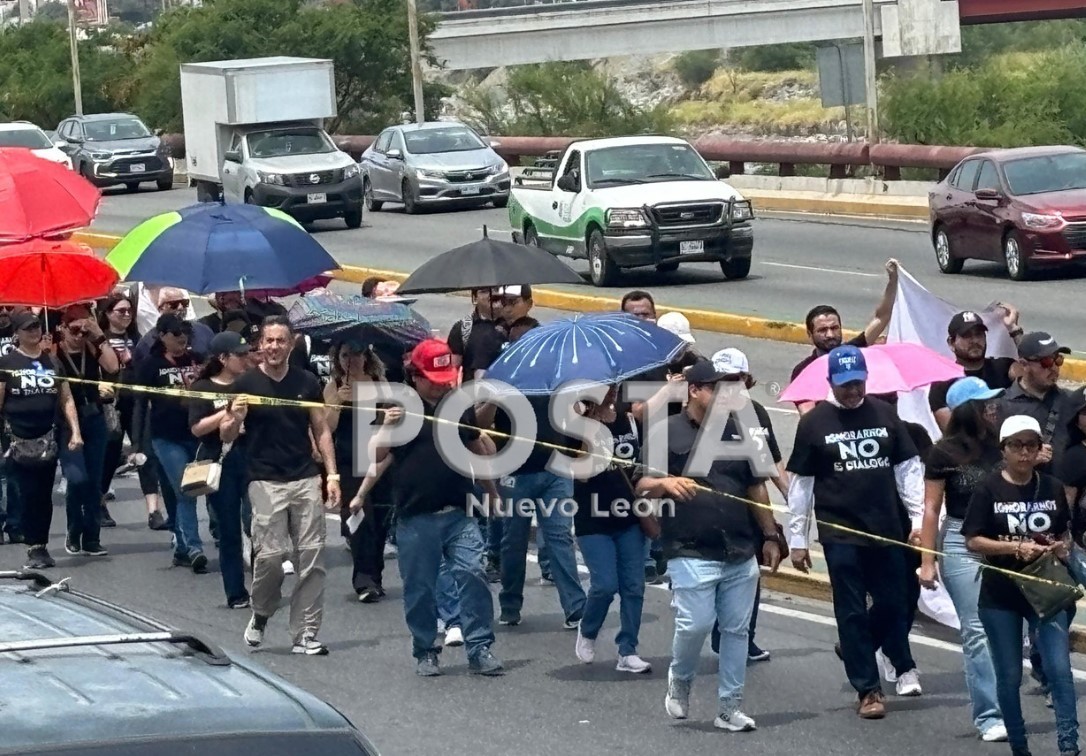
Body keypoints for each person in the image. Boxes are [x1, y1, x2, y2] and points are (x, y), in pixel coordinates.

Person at [786, 344, 923, 719]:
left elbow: (908, 471)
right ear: (831, 382)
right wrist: (797, 539)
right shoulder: (814, 423)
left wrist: (917, 521)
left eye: (857, 383)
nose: (852, 391)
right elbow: (802, 485)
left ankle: (857, 645)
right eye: (844, 384)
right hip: (839, 532)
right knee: (849, 610)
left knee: (895, 603)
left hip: (886, 530)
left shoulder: (885, 415)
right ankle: (869, 689)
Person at [648, 357, 781, 732]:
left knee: (737, 631)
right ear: (695, 390)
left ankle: (729, 707)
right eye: (716, 388)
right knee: (695, 625)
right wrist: (664, 484)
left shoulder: (740, 429)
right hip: (690, 548)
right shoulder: (666, 431)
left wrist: (771, 536)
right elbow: (641, 483)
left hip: (740, 547)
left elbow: (757, 486)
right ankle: (680, 679)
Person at [365, 339, 503, 677]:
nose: (441, 384)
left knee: (474, 574)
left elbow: (477, 450)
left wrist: (492, 493)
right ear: (416, 377)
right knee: (421, 588)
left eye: (445, 376)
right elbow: (376, 455)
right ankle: (425, 650)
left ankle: (480, 646)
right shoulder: (401, 410)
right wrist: (387, 425)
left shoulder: (459, 408)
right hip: (416, 517)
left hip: (459, 512)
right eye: (433, 377)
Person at [963, 415, 1080, 756]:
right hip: (1001, 594)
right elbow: (973, 540)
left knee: (1059, 669)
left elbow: (1063, 532)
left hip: (1046, 591)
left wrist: (1060, 546)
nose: (1025, 453)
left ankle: (1069, 744)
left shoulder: (1052, 486)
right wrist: (1014, 547)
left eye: (1031, 445)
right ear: (1004, 449)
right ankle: (1019, 746)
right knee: (1010, 675)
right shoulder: (988, 488)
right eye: (1017, 445)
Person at [235, 316, 340, 656]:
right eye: (269, 341)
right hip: (264, 479)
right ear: (260, 345)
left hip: (305, 476)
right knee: (270, 557)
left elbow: (321, 430)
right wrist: (234, 417)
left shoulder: (307, 381)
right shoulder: (246, 383)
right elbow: (226, 433)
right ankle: (262, 612)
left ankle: (305, 634)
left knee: (312, 558)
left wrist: (332, 475)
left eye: (281, 341)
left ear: (291, 344)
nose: (275, 347)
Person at [917, 377, 1008, 743]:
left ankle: (1005, 701)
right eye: (987, 403)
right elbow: (930, 508)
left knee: (1008, 629)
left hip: (1003, 540)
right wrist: (927, 560)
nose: (994, 408)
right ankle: (989, 715)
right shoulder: (944, 453)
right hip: (958, 541)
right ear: (969, 410)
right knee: (977, 631)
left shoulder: (1004, 445)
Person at [707, 348, 789, 663]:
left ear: (746, 379)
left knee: (749, 575)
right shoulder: (701, 415)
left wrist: (792, 500)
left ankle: (744, 637)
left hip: (750, 509)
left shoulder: (757, 413)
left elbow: (771, 462)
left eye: (734, 379)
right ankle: (718, 628)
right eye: (721, 380)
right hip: (713, 509)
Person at [571, 385, 651, 673]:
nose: (612, 393)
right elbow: (579, 476)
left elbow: (638, 466)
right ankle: (588, 629)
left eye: (615, 387)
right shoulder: (576, 424)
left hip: (628, 516)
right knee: (605, 585)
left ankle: (628, 650)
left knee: (634, 586)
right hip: (592, 519)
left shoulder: (628, 420)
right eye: (606, 389)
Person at [0, 311, 83, 569]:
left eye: (36, 326)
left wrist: (75, 432)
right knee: (26, 492)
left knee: (43, 493)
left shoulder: (53, 362)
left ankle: (41, 546)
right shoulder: (7, 362)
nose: (34, 332)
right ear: (17, 333)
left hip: (48, 436)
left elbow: (66, 398)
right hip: (16, 437)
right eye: (27, 328)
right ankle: (32, 545)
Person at [132, 314, 206, 573]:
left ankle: (181, 547)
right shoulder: (151, 365)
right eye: (175, 334)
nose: (181, 338)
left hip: (196, 434)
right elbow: (140, 404)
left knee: (199, 488)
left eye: (184, 333)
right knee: (185, 489)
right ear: (162, 336)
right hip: (166, 437)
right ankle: (194, 547)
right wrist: (137, 444)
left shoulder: (196, 359)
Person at [188, 331, 253, 609]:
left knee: (257, 521)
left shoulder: (250, 383)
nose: (245, 359)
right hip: (220, 460)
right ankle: (236, 591)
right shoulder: (202, 386)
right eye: (239, 355)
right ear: (223, 358)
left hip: (251, 458)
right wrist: (226, 412)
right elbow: (197, 428)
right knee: (228, 529)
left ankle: (263, 582)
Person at [327, 340, 394, 603]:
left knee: (380, 521)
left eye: (355, 354)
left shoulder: (379, 384)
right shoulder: (334, 387)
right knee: (359, 518)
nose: (350, 360)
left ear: (366, 357)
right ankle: (363, 579)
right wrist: (339, 403)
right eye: (344, 355)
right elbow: (328, 427)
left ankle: (375, 577)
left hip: (378, 458)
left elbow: (389, 420)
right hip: (349, 459)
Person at [790, 259, 899, 414]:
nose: (830, 334)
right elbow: (807, 414)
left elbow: (882, 317)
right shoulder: (804, 370)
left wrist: (893, 280)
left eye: (834, 328)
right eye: (822, 330)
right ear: (810, 334)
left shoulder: (853, 352)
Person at [98, 291, 167, 531]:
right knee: (110, 452)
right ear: (108, 314)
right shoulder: (101, 339)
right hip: (111, 404)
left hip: (137, 403)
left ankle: (153, 511)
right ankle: (100, 499)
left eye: (129, 311)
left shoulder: (138, 338)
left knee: (145, 453)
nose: (126, 315)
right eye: (121, 311)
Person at [55, 304, 119, 557]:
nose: (79, 335)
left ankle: (92, 537)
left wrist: (98, 335)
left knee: (94, 480)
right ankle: (74, 530)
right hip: (67, 421)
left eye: (84, 330)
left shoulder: (92, 347)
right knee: (77, 478)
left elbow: (113, 367)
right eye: (75, 330)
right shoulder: (55, 350)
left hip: (94, 416)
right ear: (63, 328)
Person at [997, 332, 1078, 478]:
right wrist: (1026, 459)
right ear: (1024, 364)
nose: (1053, 368)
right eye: (1046, 362)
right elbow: (990, 463)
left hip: (1064, 494)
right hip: (1021, 495)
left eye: (1058, 360)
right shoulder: (1002, 406)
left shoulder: (1072, 402)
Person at [928, 310, 1020, 433]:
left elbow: (1035, 370)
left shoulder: (1003, 367)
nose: (974, 340)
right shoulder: (942, 384)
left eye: (979, 334)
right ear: (951, 343)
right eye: (966, 335)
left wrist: (1014, 330)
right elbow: (952, 434)